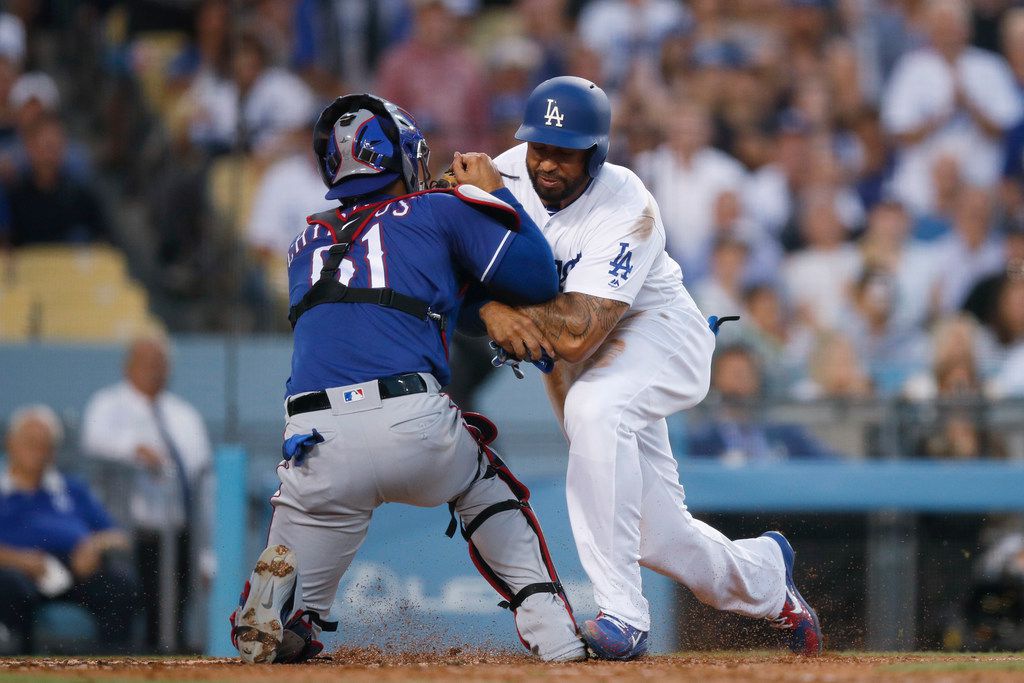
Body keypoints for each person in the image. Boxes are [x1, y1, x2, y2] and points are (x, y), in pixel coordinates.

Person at [458, 76, 823, 660]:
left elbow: (577, 334)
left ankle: (623, 614)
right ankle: (766, 579)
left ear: (596, 152)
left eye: (565, 150)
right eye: (539, 146)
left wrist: (495, 304)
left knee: (595, 409)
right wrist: (483, 303)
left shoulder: (624, 201)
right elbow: (443, 267)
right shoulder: (501, 174)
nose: (547, 162)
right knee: (657, 533)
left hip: (656, 337)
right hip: (583, 368)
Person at [228, 93, 585, 665]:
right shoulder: (437, 211)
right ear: (403, 156)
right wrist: (494, 193)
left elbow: (399, 294)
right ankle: (553, 632)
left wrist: (481, 306)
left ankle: (288, 615)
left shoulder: (305, 242)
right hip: (411, 421)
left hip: (313, 441)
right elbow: (539, 278)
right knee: (481, 483)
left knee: (323, 521)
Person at [80, 333, 212, 653]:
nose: (152, 369)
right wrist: (133, 449)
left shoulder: (184, 416)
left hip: (177, 536)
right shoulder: (107, 404)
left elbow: (204, 484)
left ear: (169, 369)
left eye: (159, 363)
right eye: (144, 362)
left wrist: (207, 552)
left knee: (172, 622)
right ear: (128, 366)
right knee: (122, 618)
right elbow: (93, 442)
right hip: (124, 536)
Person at [0, 405, 138, 654]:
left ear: (53, 452)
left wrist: (92, 545)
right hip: (16, 570)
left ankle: (111, 669)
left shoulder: (72, 489)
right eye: (29, 443)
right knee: (10, 587)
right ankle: (21, 667)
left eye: (44, 445)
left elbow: (119, 538)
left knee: (119, 586)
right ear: (10, 444)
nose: (36, 451)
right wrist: (19, 560)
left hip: (74, 569)